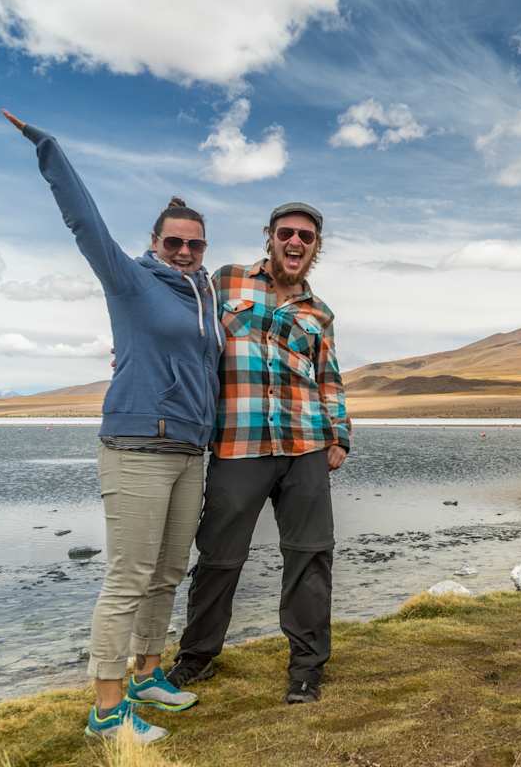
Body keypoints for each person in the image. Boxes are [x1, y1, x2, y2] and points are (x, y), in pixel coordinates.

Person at [3, 110, 223, 743]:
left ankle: (149, 671)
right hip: (137, 445)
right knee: (128, 575)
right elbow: (84, 221)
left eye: (194, 243)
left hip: (189, 451)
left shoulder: (205, 299)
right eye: (173, 242)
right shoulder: (129, 280)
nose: (183, 251)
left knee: (167, 572)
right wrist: (48, 147)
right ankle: (106, 710)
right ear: (154, 242)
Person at [166, 201, 350, 704]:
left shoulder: (319, 312)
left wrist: (339, 436)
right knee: (219, 557)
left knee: (310, 556)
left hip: (305, 444)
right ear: (269, 236)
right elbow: (175, 316)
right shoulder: (223, 282)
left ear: (316, 248)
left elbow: (329, 379)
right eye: (287, 233)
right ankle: (197, 657)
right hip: (238, 443)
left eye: (306, 237)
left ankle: (307, 668)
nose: (296, 242)